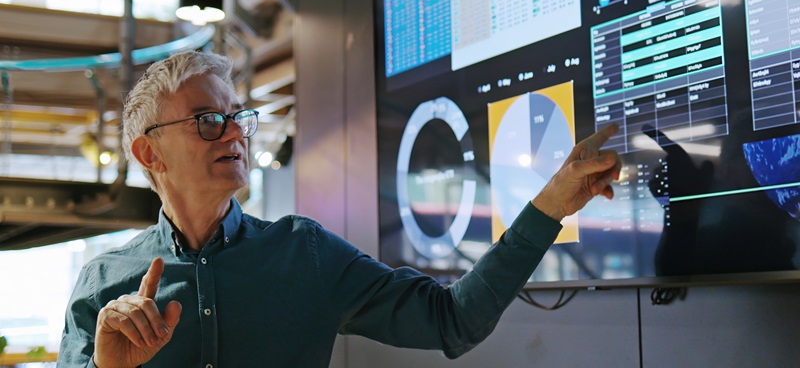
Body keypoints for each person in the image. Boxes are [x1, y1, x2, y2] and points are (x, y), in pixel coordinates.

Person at [59, 50, 621, 367]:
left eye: (239, 118)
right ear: (148, 152)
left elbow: (455, 319)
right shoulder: (104, 284)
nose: (234, 133)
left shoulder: (303, 253)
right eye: (209, 120)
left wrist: (550, 206)